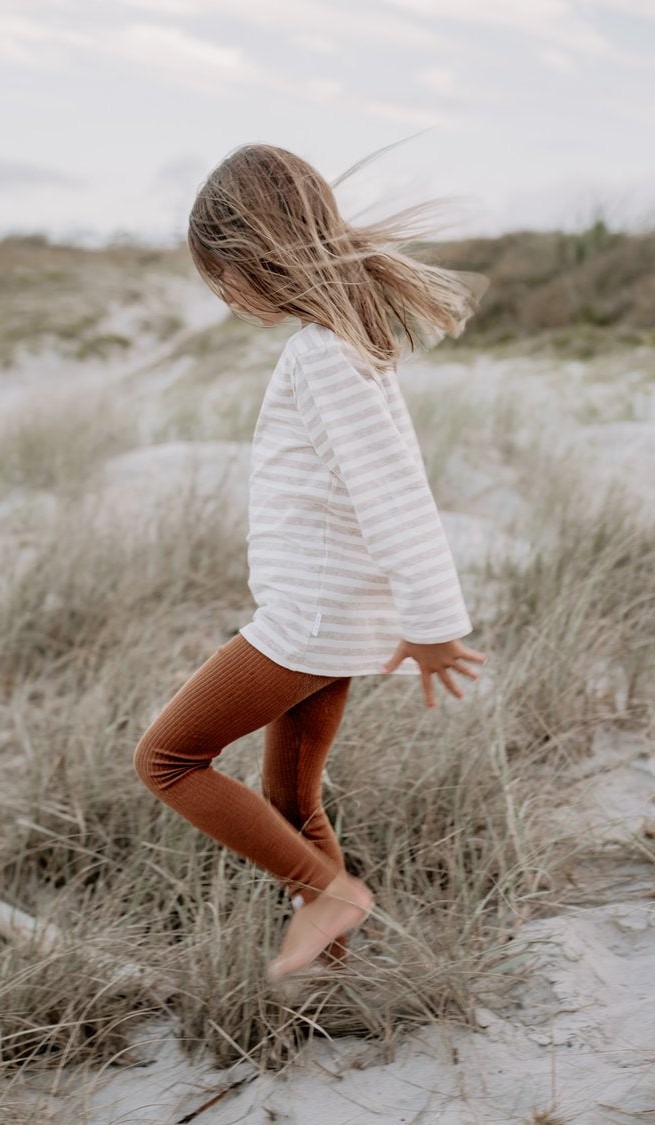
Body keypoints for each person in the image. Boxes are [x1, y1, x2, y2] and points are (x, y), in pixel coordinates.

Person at [133, 142, 489, 983]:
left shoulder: (322, 354)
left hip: (309, 621)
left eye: (224, 274)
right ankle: (333, 965)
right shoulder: (344, 341)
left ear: (257, 254)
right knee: (292, 798)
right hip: (335, 616)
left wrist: (436, 627)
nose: (224, 295)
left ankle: (328, 896)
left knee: (169, 759)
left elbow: (394, 491)